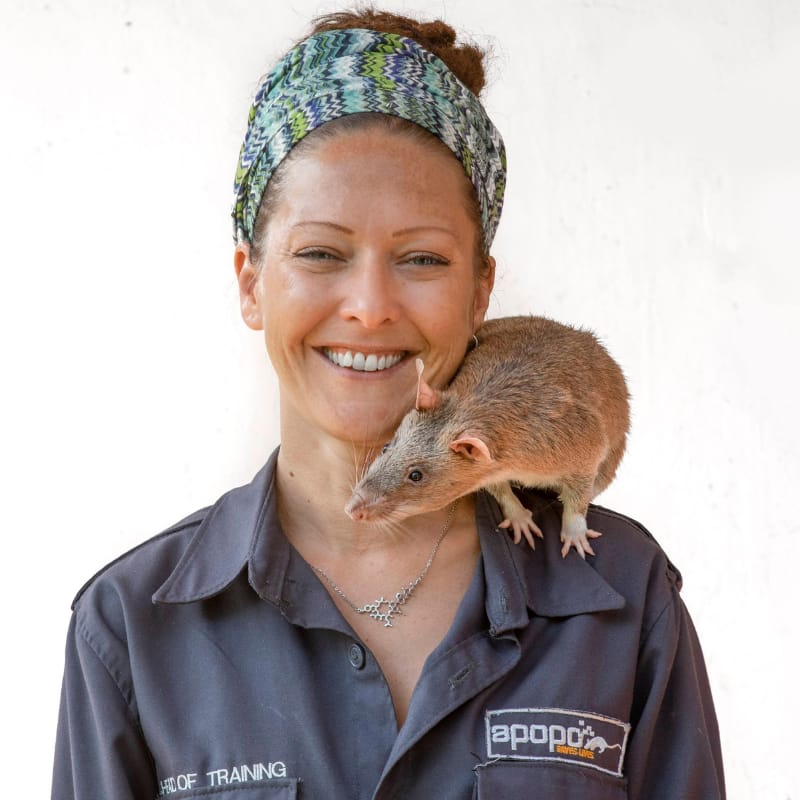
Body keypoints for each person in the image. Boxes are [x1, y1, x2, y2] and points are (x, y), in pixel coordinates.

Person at [51, 8, 725, 799]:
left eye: (421, 258)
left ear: (480, 292)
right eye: (320, 252)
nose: (369, 306)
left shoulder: (620, 597)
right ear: (250, 281)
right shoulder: (131, 627)